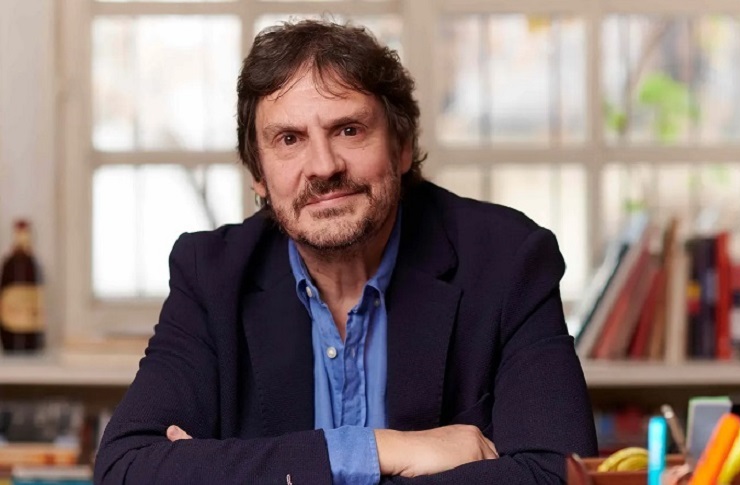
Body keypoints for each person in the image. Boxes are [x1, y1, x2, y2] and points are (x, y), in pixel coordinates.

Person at [94, 19, 597, 485]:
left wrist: (242, 469)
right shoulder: (211, 274)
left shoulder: (508, 260)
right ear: (258, 175)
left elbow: (557, 476)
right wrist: (380, 451)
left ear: (402, 146)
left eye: (349, 130)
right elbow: (126, 469)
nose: (324, 166)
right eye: (289, 139)